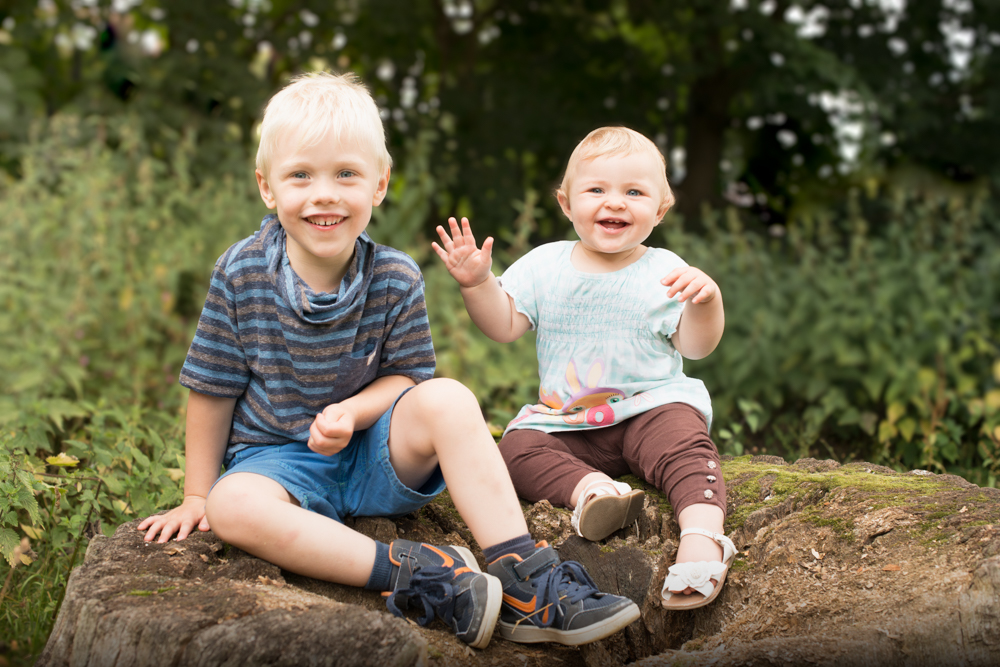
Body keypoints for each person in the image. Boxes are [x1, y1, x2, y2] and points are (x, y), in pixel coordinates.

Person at [137, 73, 640, 647]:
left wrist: (353, 413)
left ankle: (525, 578)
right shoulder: (242, 273)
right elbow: (212, 387)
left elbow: (407, 379)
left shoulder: (395, 276)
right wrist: (198, 496)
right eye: (300, 175)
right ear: (267, 187)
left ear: (379, 184)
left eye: (346, 174)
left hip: (376, 455)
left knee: (447, 397)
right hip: (277, 463)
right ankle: (419, 574)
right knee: (232, 508)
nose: (324, 193)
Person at [432, 126, 735, 610]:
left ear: (659, 210)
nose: (614, 203)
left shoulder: (663, 270)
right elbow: (505, 324)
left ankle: (702, 538)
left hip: (650, 409)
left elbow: (696, 347)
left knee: (686, 449)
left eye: (634, 192)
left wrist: (707, 301)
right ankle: (594, 492)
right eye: (597, 190)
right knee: (513, 449)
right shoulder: (544, 265)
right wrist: (477, 283)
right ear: (566, 203)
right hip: (568, 421)